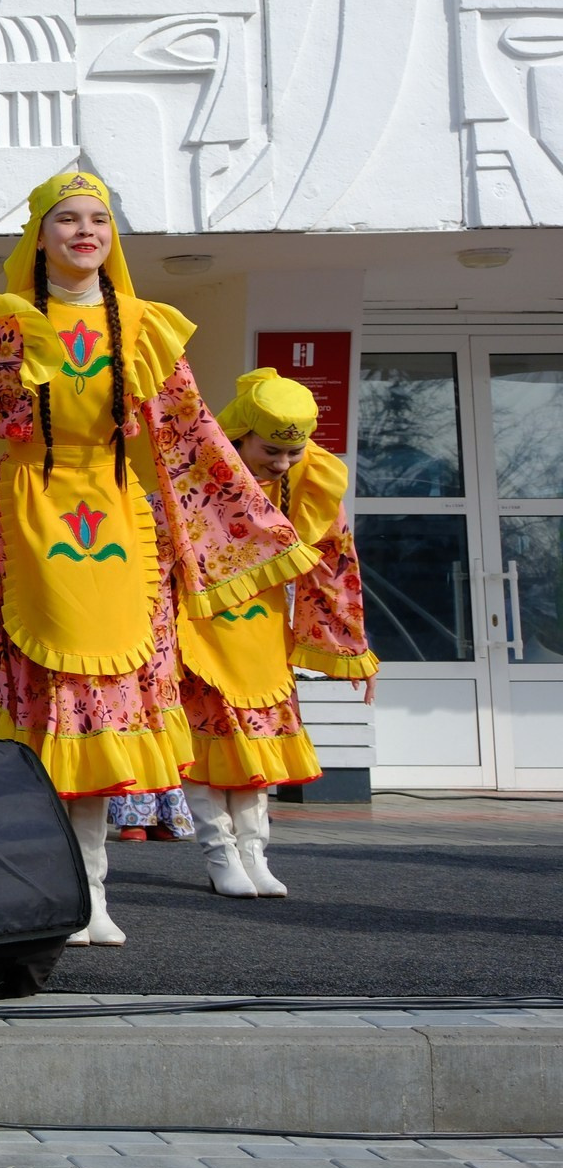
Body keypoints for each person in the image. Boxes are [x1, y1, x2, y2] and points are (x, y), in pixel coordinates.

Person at [0, 171, 312, 947]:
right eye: (68, 218)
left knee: (100, 712)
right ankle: (55, 888)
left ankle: (94, 890)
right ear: (40, 233)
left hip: (122, 522)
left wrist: (250, 530)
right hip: (27, 514)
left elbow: (194, 439)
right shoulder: (1, 325)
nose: (85, 231)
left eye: (99, 218)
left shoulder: (145, 325)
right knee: (45, 709)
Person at [178, 367, 378, 898]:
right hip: (196, 633)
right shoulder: (191, 484)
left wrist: (350, 648)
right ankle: (219, 857)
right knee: (206, 747)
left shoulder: (311, 484)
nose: (284, 463)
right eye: (271, 450)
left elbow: (335, 565)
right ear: (237, 437)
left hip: (263, 634)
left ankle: (254, 853)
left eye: (294, 451)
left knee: (259, 750)